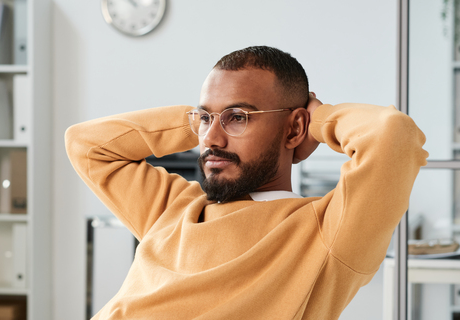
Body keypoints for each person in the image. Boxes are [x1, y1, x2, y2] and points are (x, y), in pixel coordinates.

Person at [65, 46, 428, 319]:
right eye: (207, 118)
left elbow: (393, 136)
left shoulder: (326, 232)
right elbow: (85, 144)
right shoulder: (173, 207)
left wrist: (320, 120)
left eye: (238, 117)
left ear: (294, 127)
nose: (212, 139)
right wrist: (197, 120)